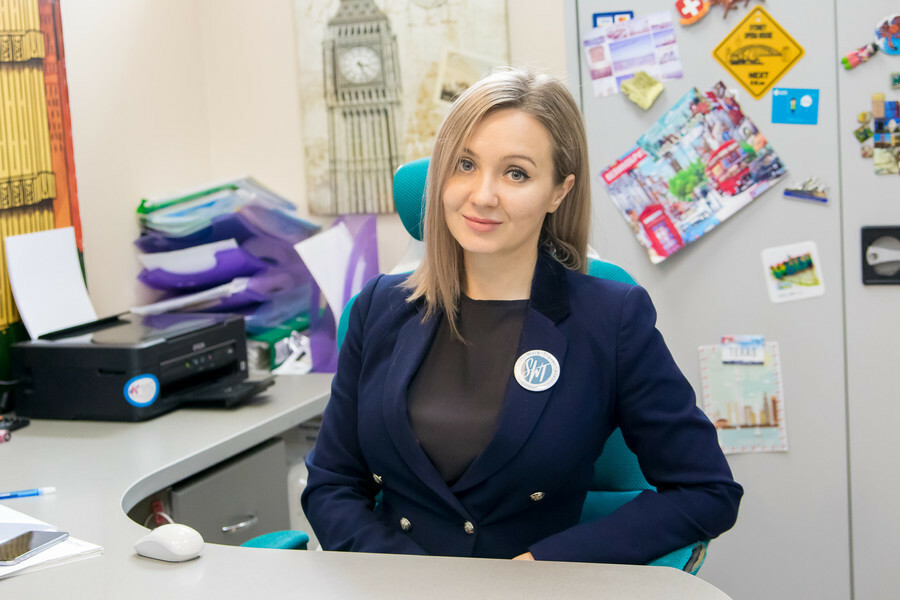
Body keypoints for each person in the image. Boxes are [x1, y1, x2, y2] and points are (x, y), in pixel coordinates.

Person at [302, 67, 742, 564]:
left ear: (558, 191)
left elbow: (707, 491)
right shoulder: (379, 307)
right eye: (465, 164)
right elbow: (332, 483)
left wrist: (545, 566)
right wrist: (406, 578)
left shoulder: (611, 320)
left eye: (516, 173)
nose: (482, 195)